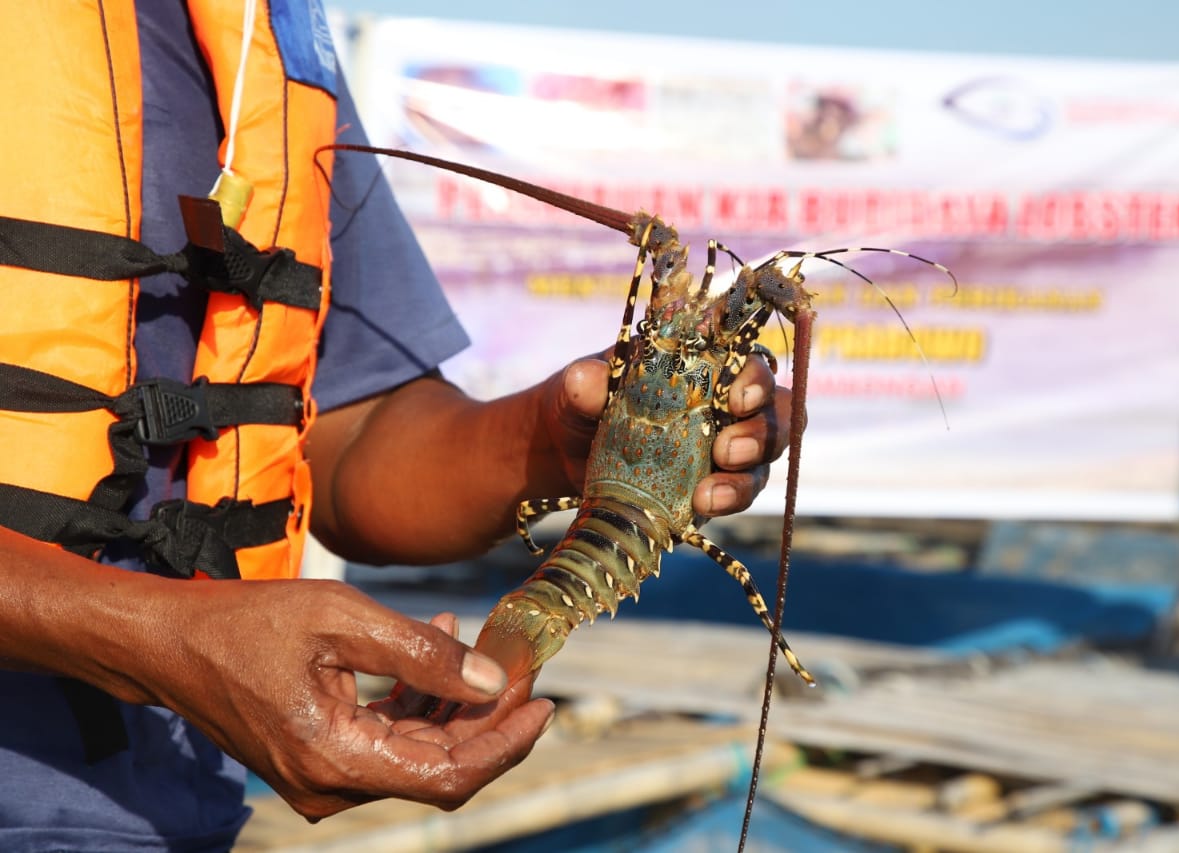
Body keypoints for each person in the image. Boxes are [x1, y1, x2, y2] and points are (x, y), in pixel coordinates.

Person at [0, 4, 792, 850]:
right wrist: (159, 637)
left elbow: (347, 434)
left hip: (173, 813)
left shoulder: (268, 41)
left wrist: (552, 436)